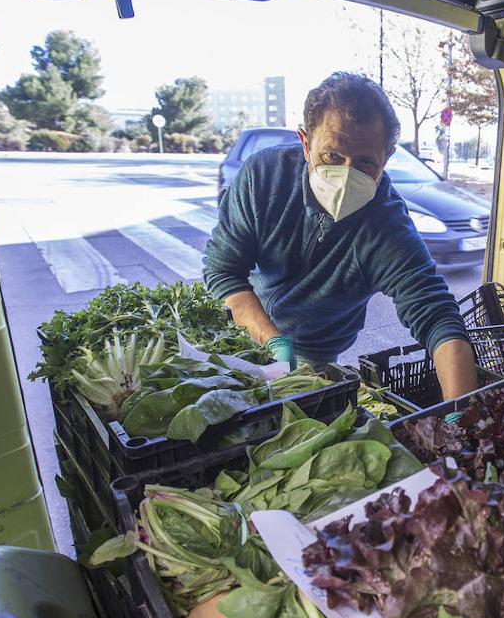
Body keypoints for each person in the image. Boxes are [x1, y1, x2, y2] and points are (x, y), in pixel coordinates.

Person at [203, 72, 477, 400]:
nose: (347, 176)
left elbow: (435, 315)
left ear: (386, 157)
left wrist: (459, 413)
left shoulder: (386, 227)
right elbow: (223, 271)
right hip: (239, 330)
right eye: (332, 157)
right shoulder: (263, 177)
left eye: (365, 163)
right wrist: (274, 343)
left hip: (313, 357)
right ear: (305, 144)